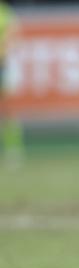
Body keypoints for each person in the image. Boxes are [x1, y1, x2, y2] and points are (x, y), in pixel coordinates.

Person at [0, 0, 22, 167]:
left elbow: (10, 38)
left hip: (4, 64)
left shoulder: (5, 12)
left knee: (8, 109)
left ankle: (13, 150)